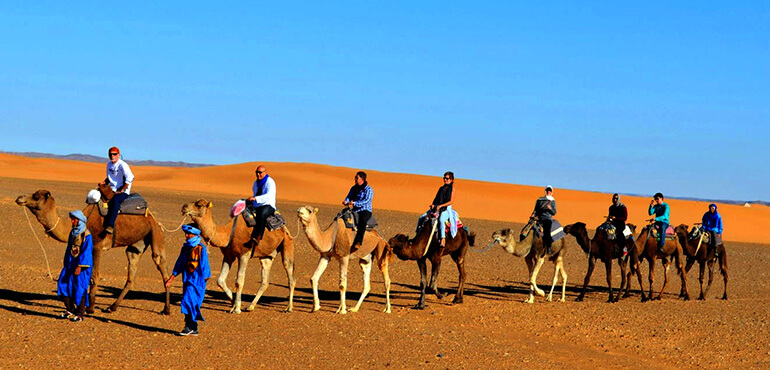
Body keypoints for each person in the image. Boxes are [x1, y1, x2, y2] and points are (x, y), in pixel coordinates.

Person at [165, 224, 211, 336]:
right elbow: (179, 263)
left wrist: (205, 277)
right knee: (191, 303)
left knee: (187, 301)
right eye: (185, 233)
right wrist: (172, 277)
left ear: (195, 234)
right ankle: (193, 328)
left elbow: (205, 264)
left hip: (197, 280)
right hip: (187, 279)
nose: (186, 236)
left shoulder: (201, 248)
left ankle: (188, 327)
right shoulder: (185, 248)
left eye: (188, 234)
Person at [57, 210, 93, 322]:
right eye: (72, 219)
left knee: (80, 288)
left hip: (81, 267)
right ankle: (70, 309)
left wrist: (80, 266)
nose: (72, 221)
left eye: (74, 219)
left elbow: (87, 252)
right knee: (62, 286)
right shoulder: (73, 232)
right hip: (70, 264)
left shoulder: (86, 235)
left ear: (80, 220)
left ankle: (80, 314)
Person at [101, 146, 134, 234]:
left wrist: (122, 190)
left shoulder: (123, 165)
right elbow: (110, 178)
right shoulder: (109, 164)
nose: (112, 156)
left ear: (119, 155)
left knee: (115, 201)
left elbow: (130, 178)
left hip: (122, 190)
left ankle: (110, 225)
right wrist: (103, 183)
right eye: (111, 154)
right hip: (112, 188)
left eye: (115, 154)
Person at [246, 165, 276, 247]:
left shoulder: (270, 182)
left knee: (262, 214)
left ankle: (258, 236)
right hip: (257, 204)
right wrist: (251, 199)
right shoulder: (255, 183)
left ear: (265, 172)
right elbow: (255, 194)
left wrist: (255, 198)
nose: (258, 174)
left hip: (268, 205)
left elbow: (269, 195)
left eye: (260, 172)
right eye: (257, 172)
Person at [343, 171, 373, 250]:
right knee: (342, 216)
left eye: (357, 178)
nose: (355, 179)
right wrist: (346, 201)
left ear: (362, 179)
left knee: (362, 221)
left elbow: (366, 201)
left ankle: (358, 242)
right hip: (355, 210)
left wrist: (355, 203)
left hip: (365, 210)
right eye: (355, 177)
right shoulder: (354, 188)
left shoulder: (368, 189)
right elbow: (349, 196)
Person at [429, 171, 455, 247]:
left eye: (447, 178)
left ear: (451, 180)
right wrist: (433, 205)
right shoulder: (441, 188)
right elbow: (436, 198)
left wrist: (441, 206)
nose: (445, 180)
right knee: (423, 217)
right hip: (437, 207)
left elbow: (451, 201)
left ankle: (443, 239)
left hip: (446, 209)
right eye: (444, 178)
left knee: (441, 220)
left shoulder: (453, 189)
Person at [531, 185, 557, 254]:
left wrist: (550, 208)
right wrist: (533, 214)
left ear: (552, 192)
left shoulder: (552, 201)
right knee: (530, 229)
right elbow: (536, 209)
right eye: (547, 190)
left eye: (550, 190)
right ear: (545, 191)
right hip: (539, 218)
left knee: (547, 232)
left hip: (547, 219)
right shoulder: (539, 200)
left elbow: (554, 213)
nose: (548, 192)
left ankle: (548, 247)